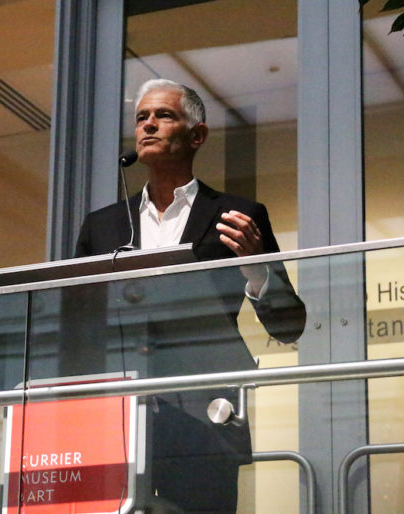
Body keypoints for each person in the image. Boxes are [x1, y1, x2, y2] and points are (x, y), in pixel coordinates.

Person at [74, 79, 306, 512]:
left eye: (164, 115)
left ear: (196, 135)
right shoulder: (101, 226)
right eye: (142, 117)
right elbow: (76, 325)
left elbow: (289, 326)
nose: (148, 125)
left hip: (205, 420)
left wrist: (255, 267)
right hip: (117, 419)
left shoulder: (236, 216)